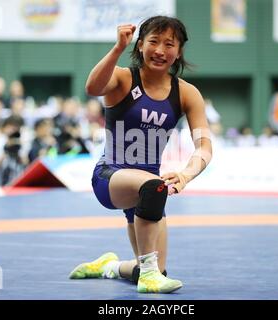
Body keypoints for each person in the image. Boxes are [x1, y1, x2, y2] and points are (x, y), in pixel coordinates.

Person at [69, 16, 212, 294]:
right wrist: (116, 49)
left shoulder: (187, 94)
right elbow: (92, 88)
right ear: (140, 46)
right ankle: (147, 274)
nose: (160, 50)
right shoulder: (123, 78)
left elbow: (204, 146)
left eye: (169, 44)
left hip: (147, 190)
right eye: (153, 42)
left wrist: (186, 174)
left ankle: (109, 266)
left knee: (159, 271)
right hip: (109, 176)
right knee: (154, 187)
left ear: (179, 51)